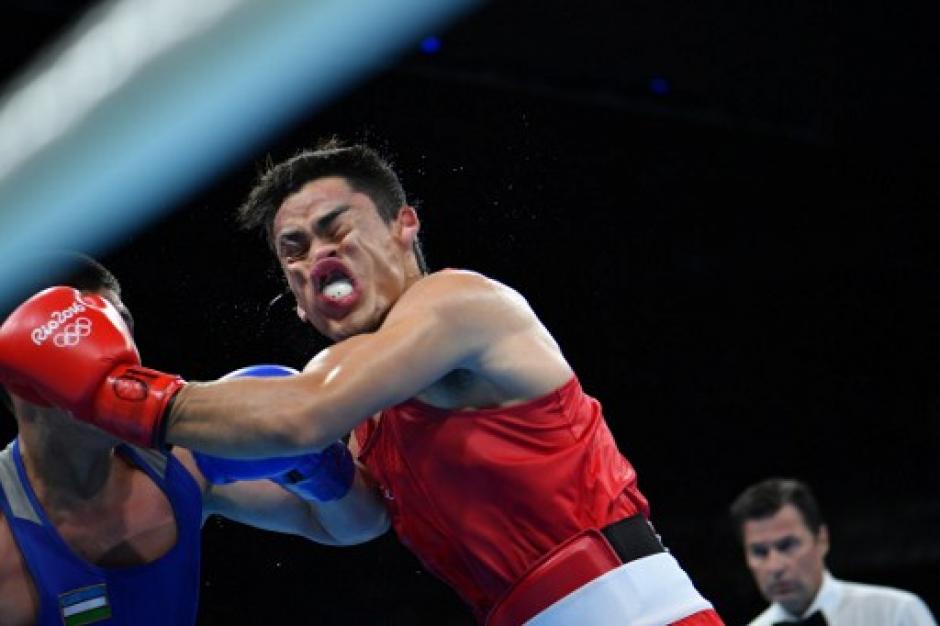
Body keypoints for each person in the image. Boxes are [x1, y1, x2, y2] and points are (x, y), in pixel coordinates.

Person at [0, 142, 723, 625]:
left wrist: (109, 391)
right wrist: (323, 477)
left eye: (335, 229)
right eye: (294, 250)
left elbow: (299, 415)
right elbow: (356, 516)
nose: (318, 256)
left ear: (404, 225)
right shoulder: (367, 412)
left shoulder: (460, 304)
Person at [0, 253, 388, 626]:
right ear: (19, 374)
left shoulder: (179, 459)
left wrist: (312, 457)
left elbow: (357, 524)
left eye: (119, 328)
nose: (118, 359)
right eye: (81, 338)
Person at [729, 477, 936, 626]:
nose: (775, 566)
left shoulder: (894, 612)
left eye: (787, 545)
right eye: (759, 552)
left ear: (821, 539)